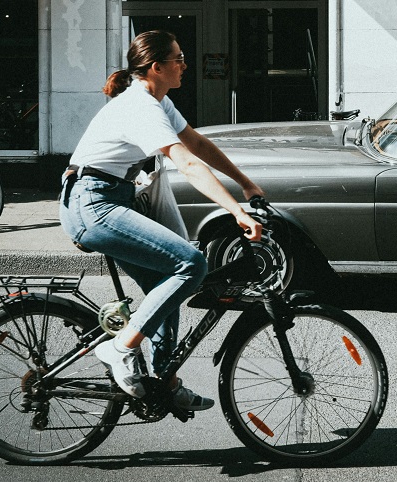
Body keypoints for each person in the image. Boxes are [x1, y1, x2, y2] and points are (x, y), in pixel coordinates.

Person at [58, 30, 264, 412]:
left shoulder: (158, 100)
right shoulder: (140, 105)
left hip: (110, 198)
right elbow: (185, 162)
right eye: (179, 58)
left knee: (168, 289)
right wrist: (236, 210)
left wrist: (247, 184)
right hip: (93, 203)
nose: (185, 65)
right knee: (191, 263)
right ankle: (119, 349)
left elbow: (198, 145)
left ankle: (163, 383)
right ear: (156, 67)